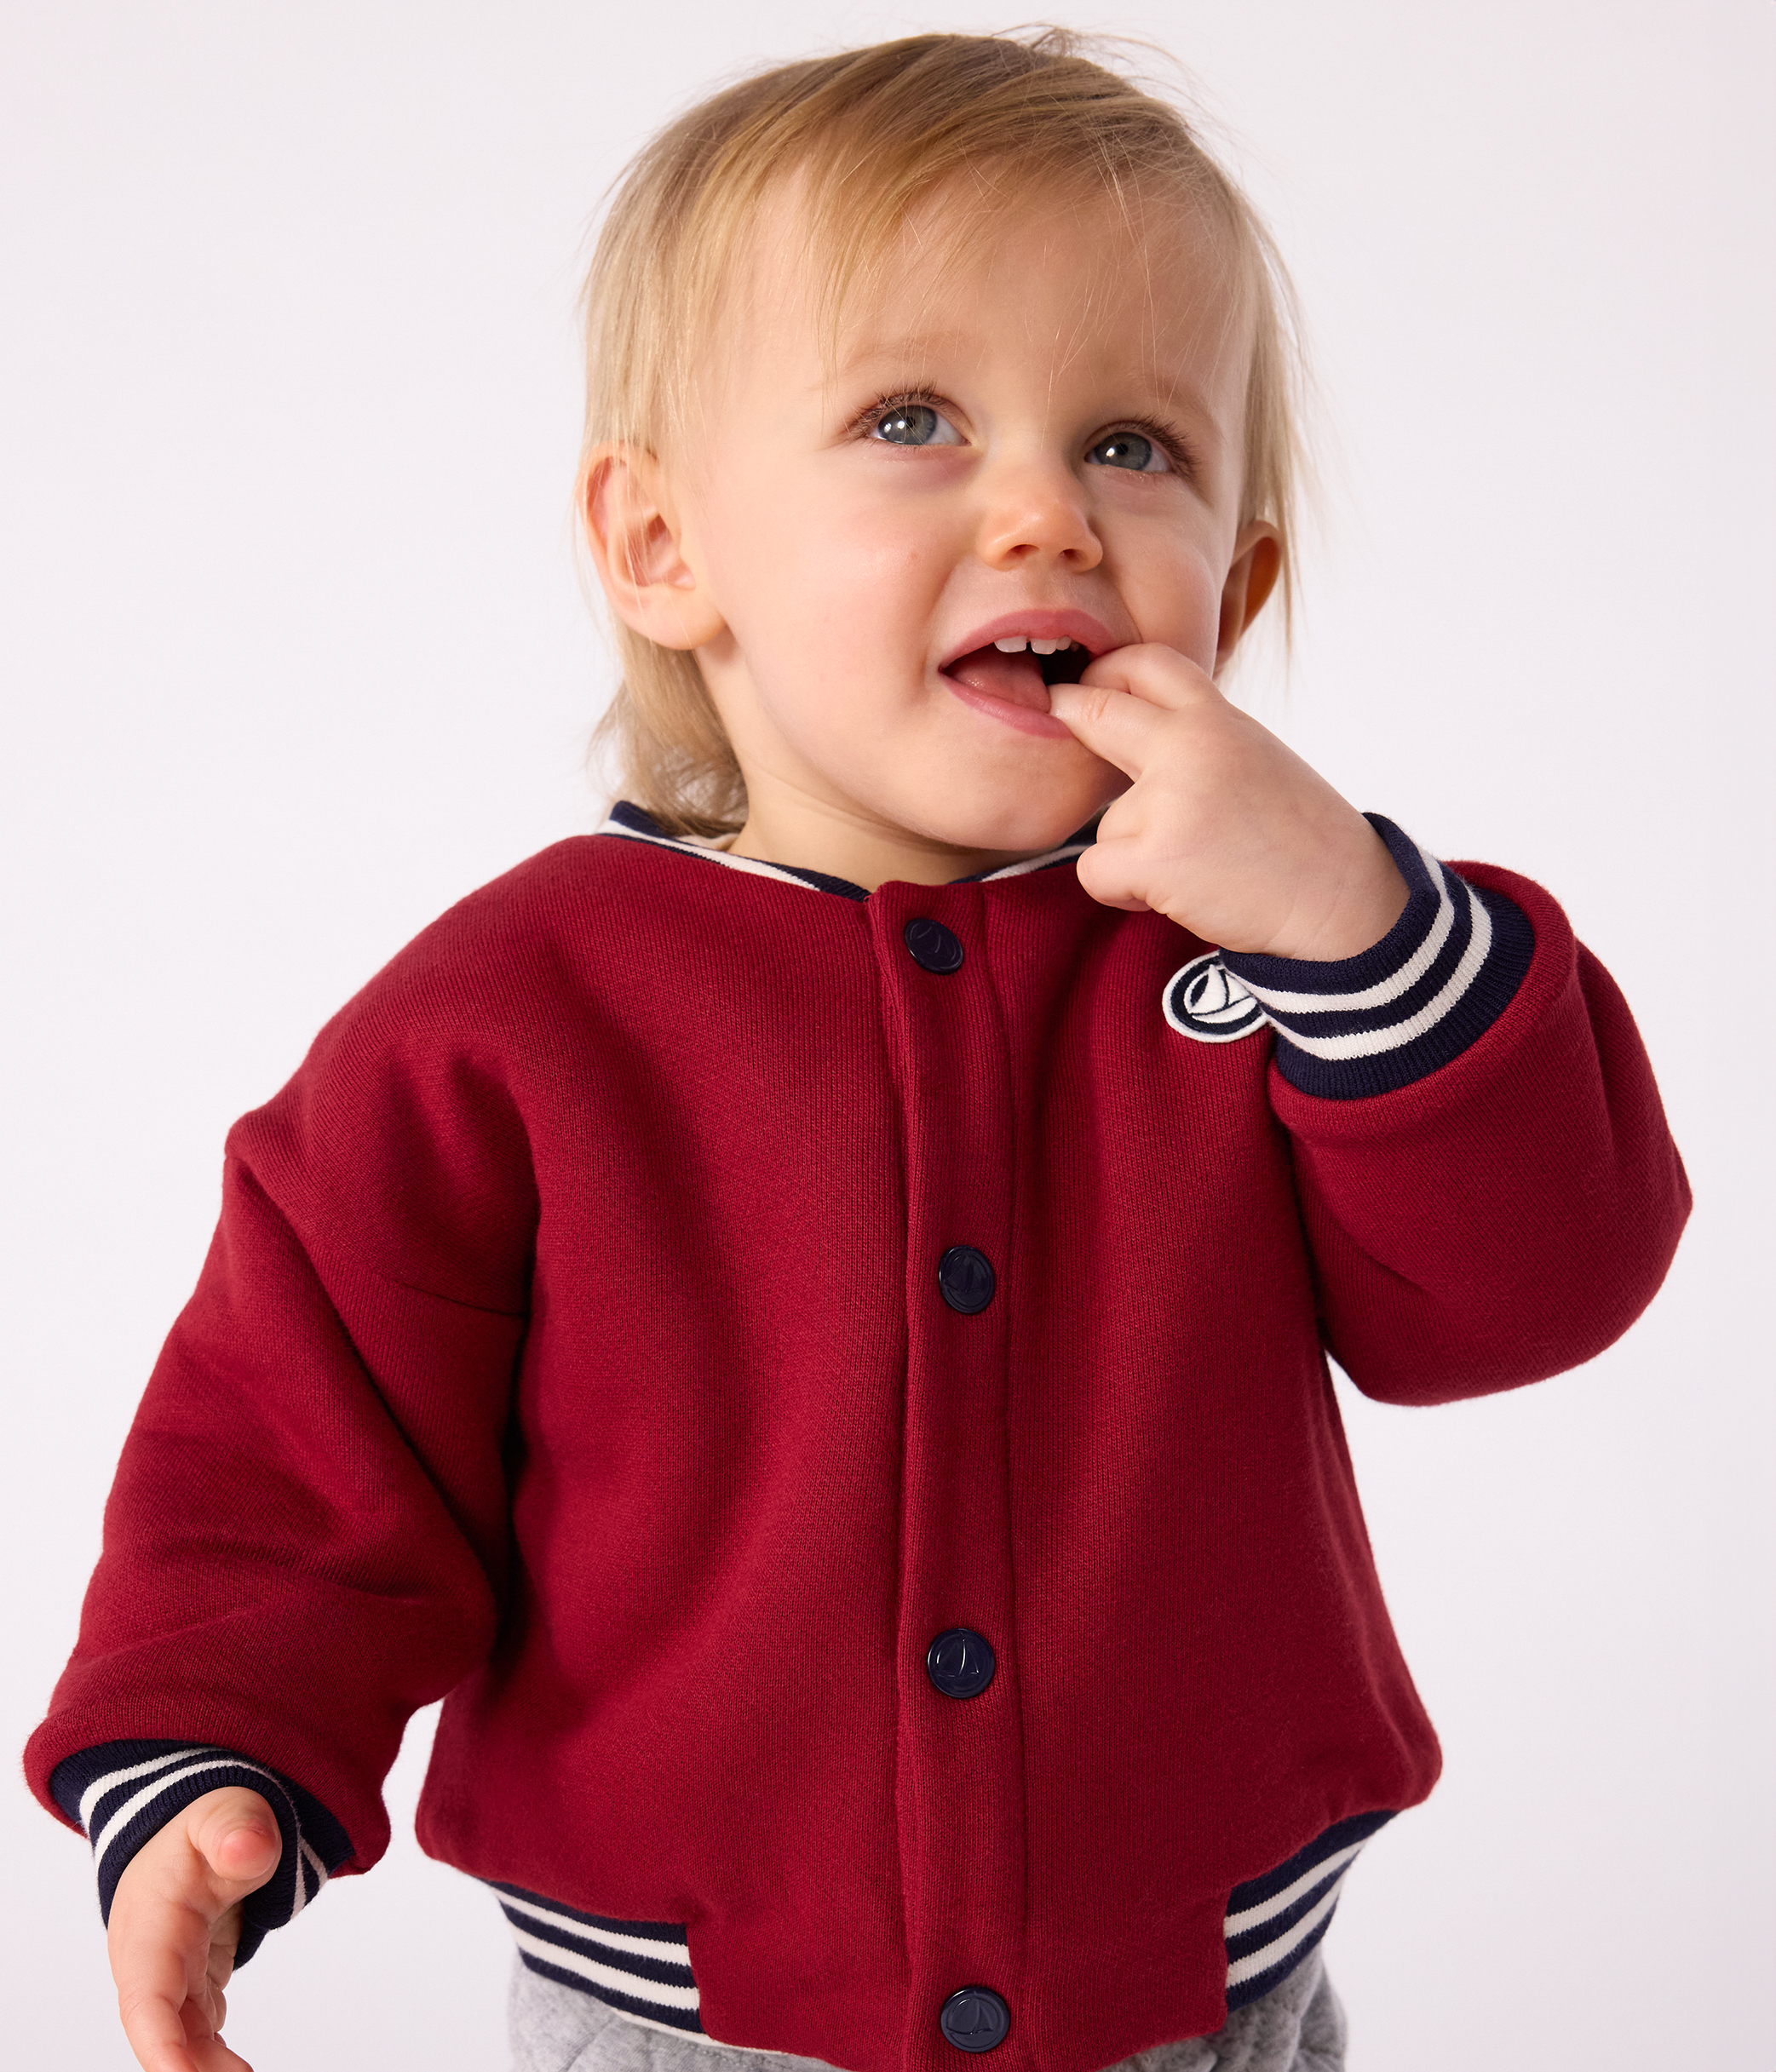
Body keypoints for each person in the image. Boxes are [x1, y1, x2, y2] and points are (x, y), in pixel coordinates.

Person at [26, 30, 1690, 2072]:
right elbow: (297, 1444)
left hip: (1201, 1999)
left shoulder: (1282, 962)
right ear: (662, 546)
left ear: (1236, 587)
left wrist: (1358, 921)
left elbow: (1529, 1289)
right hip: (689, 2021)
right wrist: (212, 1761)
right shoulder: (511, 1012)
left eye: (1135, 445)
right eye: (912, 420)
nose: (1045, 513)